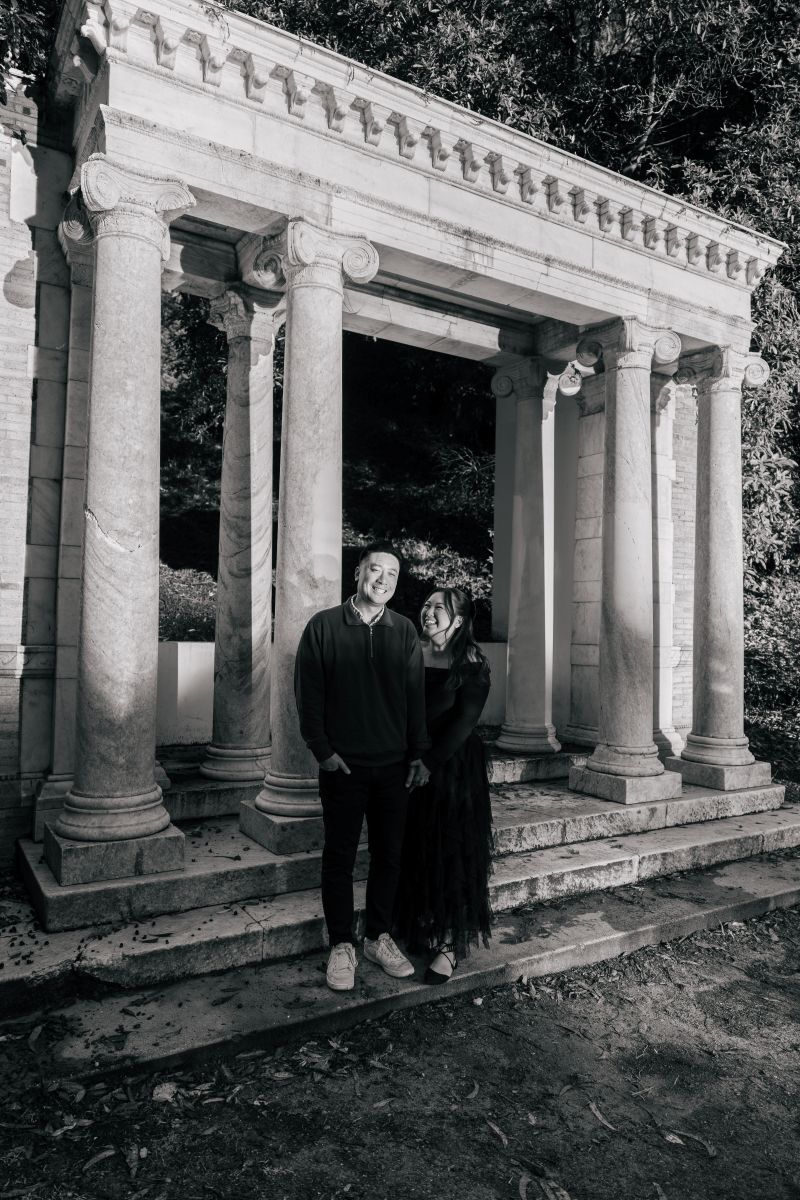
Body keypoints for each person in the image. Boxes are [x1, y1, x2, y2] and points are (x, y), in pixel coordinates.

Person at [294, 540, 430, 992]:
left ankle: (376, 936)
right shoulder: (324, 626)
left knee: (389, 857)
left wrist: (418, 753)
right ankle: (341, 944)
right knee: (340, 857)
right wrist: (323, 751)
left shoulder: (405, 630)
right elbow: (307, 694)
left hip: (393, 769)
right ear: (359, 573)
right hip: (343, 768)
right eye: (376, 570)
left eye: (393, 574)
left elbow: (415, 699)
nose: (384, 580)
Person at [395, 587, 493, 984]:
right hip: (409, 764)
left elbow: (464, 722)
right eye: (428, 605)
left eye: (441, 608)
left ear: (459, 621)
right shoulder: (411, 653)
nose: (429, 611)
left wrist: (428, 763)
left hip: (451, 770)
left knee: (451, 852)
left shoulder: (471, 662)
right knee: (416, 848)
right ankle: (421, 926)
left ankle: (451, 944)